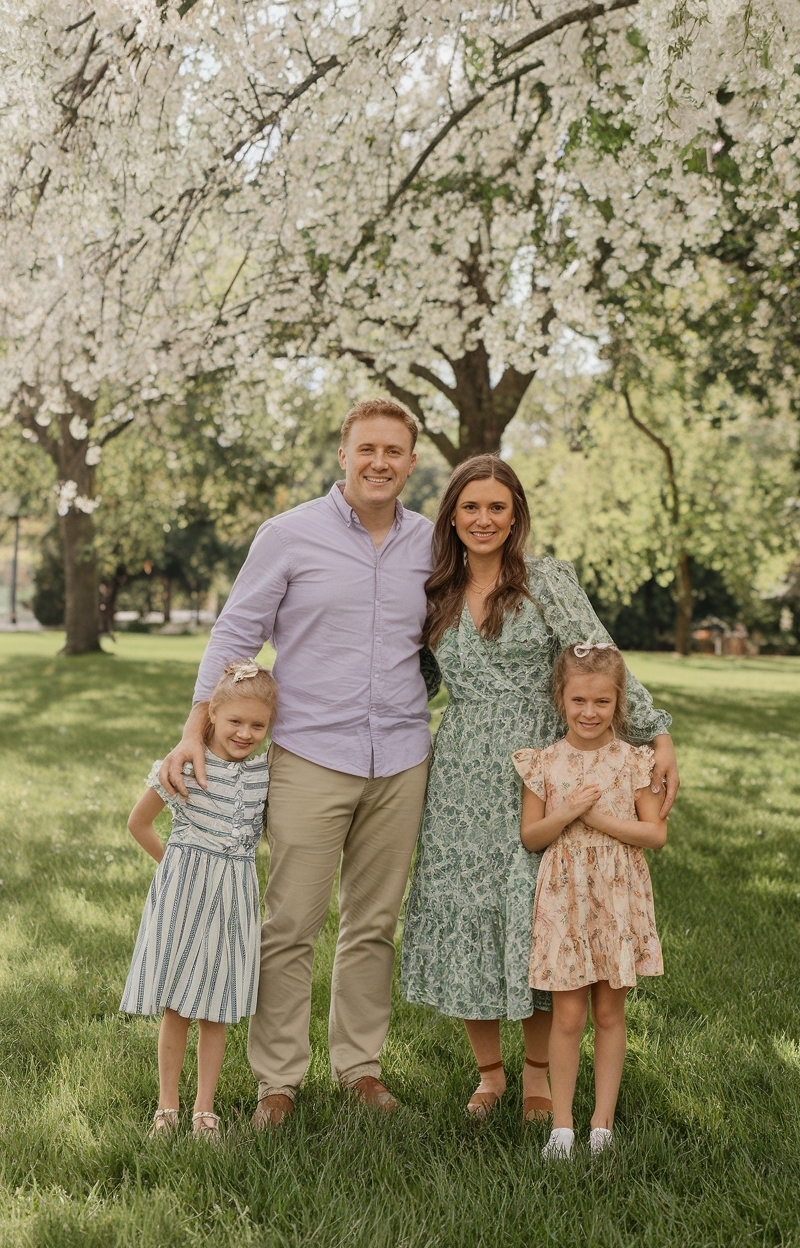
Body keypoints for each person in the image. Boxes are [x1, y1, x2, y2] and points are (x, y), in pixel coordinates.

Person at [158, 399, 435, 1128]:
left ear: (412, 462)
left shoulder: (432, 544)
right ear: (344, 455)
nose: (380, 462)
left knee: (373, 925)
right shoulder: (288, 535)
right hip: (311, 754)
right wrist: (194, 730)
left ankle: (360, 1069)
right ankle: (277, 1080)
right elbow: (236, 634)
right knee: (289, 926)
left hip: (402, 757)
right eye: (367, 448)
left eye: (394, 451)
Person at [400, 455, 677, 1122]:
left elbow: (600, 655)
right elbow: (412, 681)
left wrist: (656, 732)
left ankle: (538, 1075)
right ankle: (489, 1074)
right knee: (468, 911)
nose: (483, 519)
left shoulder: (545, 581)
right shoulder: (434, 591)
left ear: (515, 515)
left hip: (543, 770)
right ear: (452, 516)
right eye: (470, 507)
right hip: (461, 776)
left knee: (538, 918)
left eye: (497, 507)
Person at [514, 642, 666, 1160]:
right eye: (579, 700)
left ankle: (602, 1123)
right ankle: (562, 1126)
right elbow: (532, 836)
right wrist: (567, 812)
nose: (589, 712)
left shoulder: (632, 761)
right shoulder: (544, 763)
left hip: (616, 898)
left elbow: (655, 834)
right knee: (568, 1015)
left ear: (618, 702)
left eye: (602, 702)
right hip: (566, 900)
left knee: (608, 1012)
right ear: (561, 698)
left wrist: (597, 818)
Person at [121, 660, 276, 1138]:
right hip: (184, 896)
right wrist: (176, 865)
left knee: (218, 1006)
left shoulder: (263, 774)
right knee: (178, 1006)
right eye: (235, 721)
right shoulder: (184, 766)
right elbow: (138, 823)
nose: (245, 733)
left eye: (258, 726)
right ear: (211, 715)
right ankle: (167, 1107)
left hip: (234, 900)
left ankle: (204, 1109)